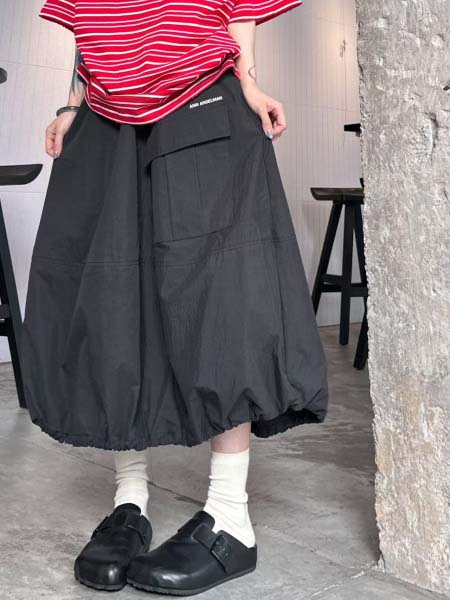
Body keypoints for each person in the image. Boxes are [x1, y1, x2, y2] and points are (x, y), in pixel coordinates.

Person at [21, 0, 329, 595]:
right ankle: (129, 501)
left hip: (203, 90)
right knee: (112, 297)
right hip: (105, 113)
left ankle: (230, 518)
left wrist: (249, 82)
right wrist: (72, 102)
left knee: (222, 297)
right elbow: (93, 20)